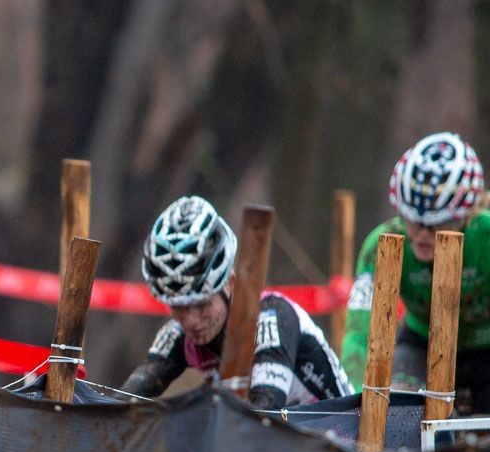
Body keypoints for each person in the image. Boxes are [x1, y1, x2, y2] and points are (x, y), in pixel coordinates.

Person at [121, 196, 352, 410]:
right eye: (178, 307)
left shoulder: (272, 318)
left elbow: (261, 418)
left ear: (230, 283)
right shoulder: (178, 336)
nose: (191, 320)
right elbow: (119, 403)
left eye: (202, 305)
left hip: (343, 445)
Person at [340, 131, 490, 412]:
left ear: (466, 216)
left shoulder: (487, 236)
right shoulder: (382, 243)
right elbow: (360, 333)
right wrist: (354, 401)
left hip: (486, 345)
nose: (422, 233)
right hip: (420, 341)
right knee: (398, 406)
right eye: (411, 219)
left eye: (437, 223)